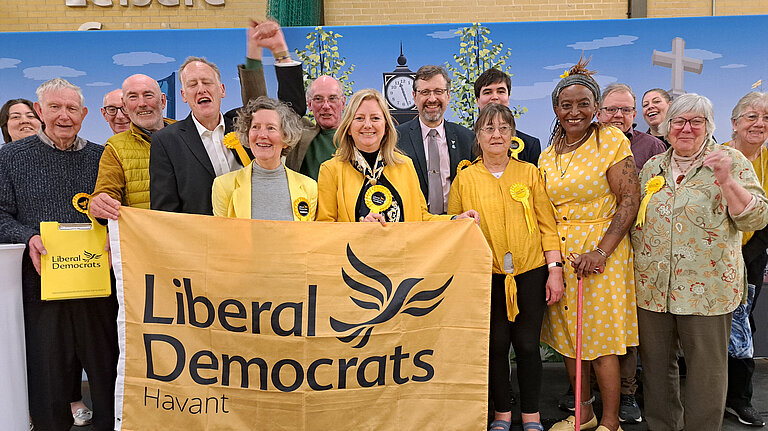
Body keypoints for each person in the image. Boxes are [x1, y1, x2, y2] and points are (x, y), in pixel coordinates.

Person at [631, 93, 768, 431]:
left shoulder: (731, 160)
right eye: (679, 121)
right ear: (667, 126)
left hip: (707, 289)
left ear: (709, 126)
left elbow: (757, 218)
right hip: (653, 288)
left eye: (696, 121)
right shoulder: (653, 166)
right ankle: (663, 426)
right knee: (657, 367)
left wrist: (726, 179)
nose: (687, 128)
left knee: (707, 371)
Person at [0, 78, 118, 431]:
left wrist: (116, 233)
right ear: (40, 112)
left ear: (83, 114)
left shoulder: (103, 156)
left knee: (108, 373)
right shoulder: (9, 158)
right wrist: (28, 236)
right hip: (41, 290)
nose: (63, 116)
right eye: (55, 107)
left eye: (71, 109)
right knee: (48, 380)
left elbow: (120, 210)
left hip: (98, 288)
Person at [538, 58, 640, 431]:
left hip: (602, 253)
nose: (575, 111)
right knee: (570, 340)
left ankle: (610, 423)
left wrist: (602, 251)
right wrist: (554, 262)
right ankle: (583, 414)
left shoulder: (610, 140)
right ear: (556, 109)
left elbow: (630, 198)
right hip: (562, 256)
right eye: (566, 104)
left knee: (601, 342)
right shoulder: (549, 151)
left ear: (596, 107)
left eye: (583, 103)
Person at [447, 103, 563, 431]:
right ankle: (501, 413)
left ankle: (531, 415)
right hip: (487, 276)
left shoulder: (529, 173)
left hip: (530, 271)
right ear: (478, 136)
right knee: (496, 346)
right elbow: (453, 225)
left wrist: (554, 269)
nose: (496, 134)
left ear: (512, 136)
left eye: (503, 128)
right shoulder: (465, 178)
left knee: (526, 345)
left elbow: (547, 225)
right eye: (488, 128)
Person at [316, 88, 477, 223]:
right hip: (353, 259)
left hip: (402, 259)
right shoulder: (331, 171)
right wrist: (359, 230)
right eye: (359, 118)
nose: (367, 125)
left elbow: (421, 218)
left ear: (386, 127)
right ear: (349, 128)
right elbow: (325, 229)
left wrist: (456, 221)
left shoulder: (405, 165)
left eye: (375, 118)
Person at [150, 56, 249, 215]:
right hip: (203, 237)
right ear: (183, 95)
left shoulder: (246, 128)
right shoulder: (166, 142)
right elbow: (165, 211)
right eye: (192, 84)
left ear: (222, 90)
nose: (201, 89)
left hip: (253, 231)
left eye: (207, 82)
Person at [723, 92, 768, 427]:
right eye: (751, 116)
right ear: (735, 123)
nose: (759, 124)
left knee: (742, 329)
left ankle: (739, 400)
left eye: (765, 118)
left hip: (750, 257)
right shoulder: (717, 156)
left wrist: (746, 255)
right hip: (710, 259)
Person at [212, 97, 317, 220]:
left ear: (286, 138)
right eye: (255, 127)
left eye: (271, 128)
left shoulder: (309, 187)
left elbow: (308, 237)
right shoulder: (224, 186)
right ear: (247, 133)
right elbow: (221, 237)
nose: (262, 135)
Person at [89, 74, 173, 220]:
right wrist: (99, 204)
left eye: (148, 95)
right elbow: (106, 192)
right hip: (143, 239)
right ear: (125, 106)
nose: (142, 103)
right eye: (133, 97)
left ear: (163, 100)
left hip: (190, 236)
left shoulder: (188, 133)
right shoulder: (115, 147)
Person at [395, 65, 474, 215]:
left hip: (457, 225)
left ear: (448, 95)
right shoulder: (396, 139)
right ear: (414, 96)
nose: (432, 99)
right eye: (425, 92)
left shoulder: (467, 138)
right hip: (414, 225)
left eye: (438, 92)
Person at [474, 67, 541, 165]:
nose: (495, 97)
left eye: (500, 91)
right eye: (487, 92)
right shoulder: (465, 142)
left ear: (508, 98)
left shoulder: (530, 146)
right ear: (478, 101)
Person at [284, 75, 346, 181]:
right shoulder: (299, 136)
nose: (326, 106)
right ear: (309, 104)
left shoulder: (357, 136)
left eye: (332, 98)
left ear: (343, 103)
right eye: (318, 99)